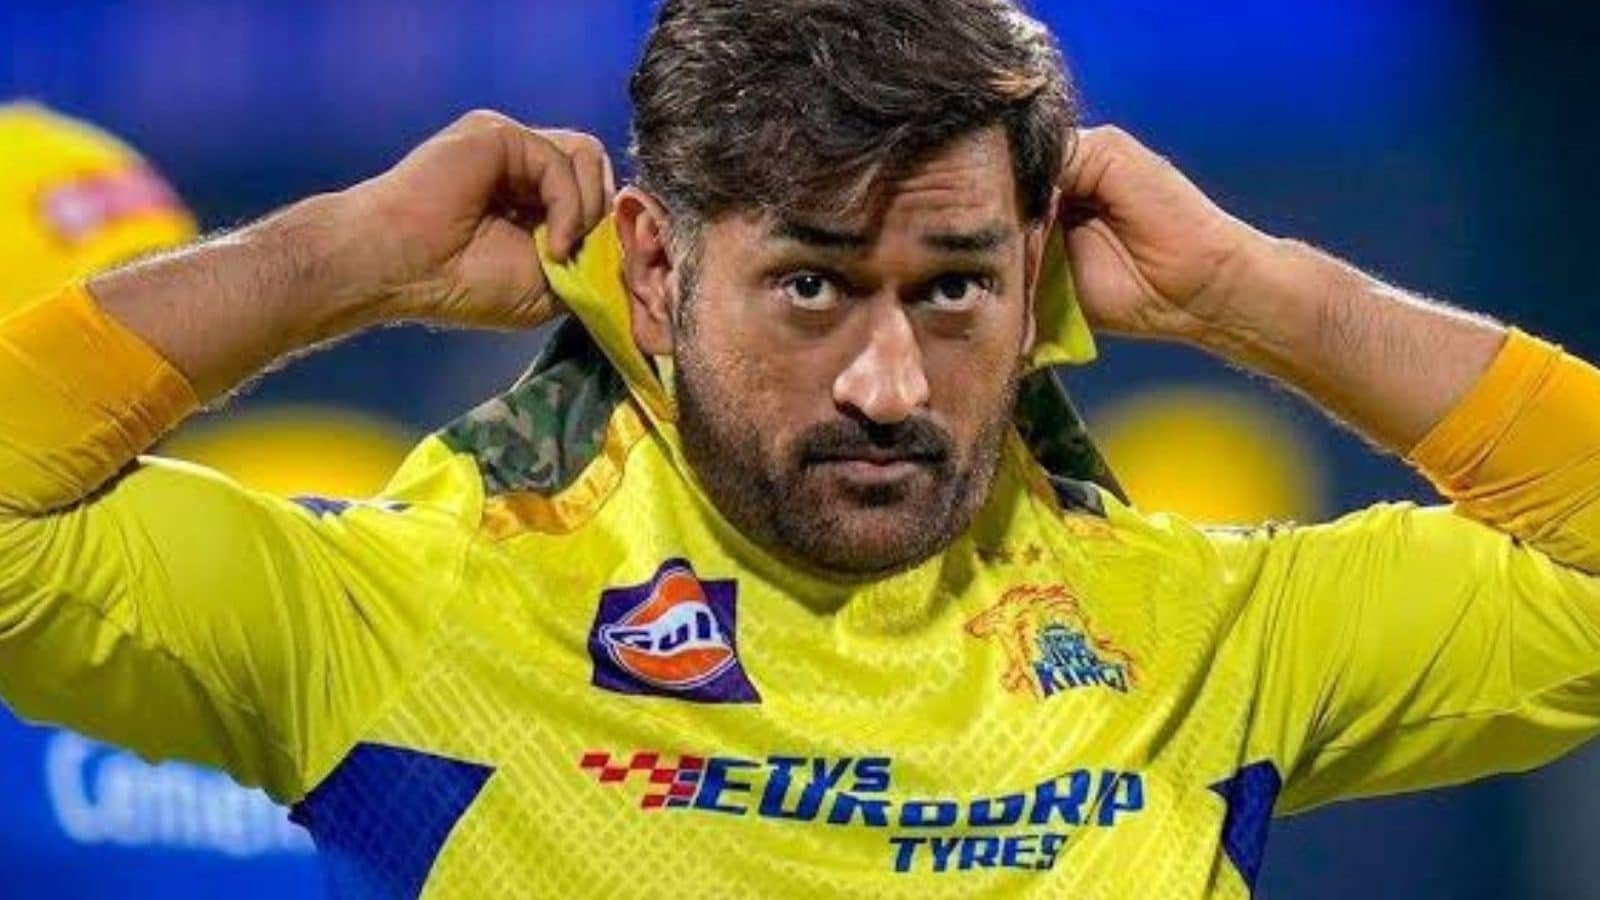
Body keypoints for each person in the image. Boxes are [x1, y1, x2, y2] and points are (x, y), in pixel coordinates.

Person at [2, 0, 1598, 896]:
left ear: (1037, 277)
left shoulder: (1201, 636)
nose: (890, 385)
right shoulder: (419, 610)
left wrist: (1264, 293)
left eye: (954, 287)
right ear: (653, 269)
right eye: (814, 286)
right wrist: (339, 258)